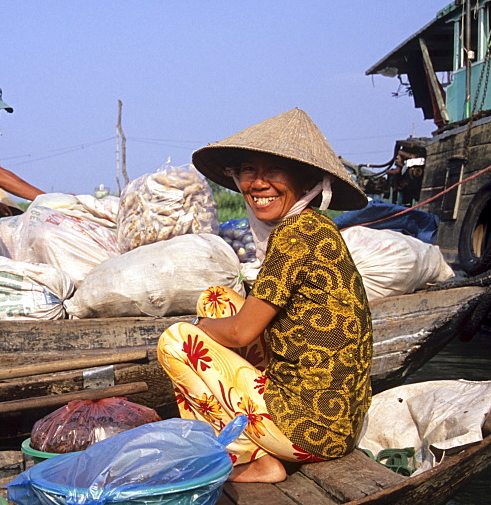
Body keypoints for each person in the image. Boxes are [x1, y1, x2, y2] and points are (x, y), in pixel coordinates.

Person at [156, 108, 373, 483]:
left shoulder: (296, 233)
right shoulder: (315, 226)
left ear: (304, 180)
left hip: (312, 432)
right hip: (335, 421)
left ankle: (246, 458)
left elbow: (241, 333)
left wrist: (195, 327)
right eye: (248, 170)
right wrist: (210, 321)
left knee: (176, 341)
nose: (257, 183)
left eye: (273, 171)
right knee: (217, 298)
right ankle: (251, 426)